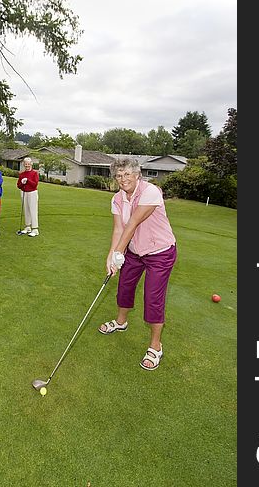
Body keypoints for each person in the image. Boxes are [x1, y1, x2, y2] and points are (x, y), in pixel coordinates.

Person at [98, 157, 177, 371]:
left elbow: (132, 223)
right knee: (124, 287)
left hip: (160, 252)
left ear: (137, 174)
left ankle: (155, 346)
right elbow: (118, 229)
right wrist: (110, 256)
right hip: (134, 251)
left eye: (127, 174)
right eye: (118, 175)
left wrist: (117, 254)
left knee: (152, 298)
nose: (123, 179)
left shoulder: (151, 192)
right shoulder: (117, 199)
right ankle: (121, 322)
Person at [16, 156, 39, 237]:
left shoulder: (34, 173)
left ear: (31, 164)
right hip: (24, 192)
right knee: (26, 210)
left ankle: (35, 229)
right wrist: (22, 183)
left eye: (28, 164)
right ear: (24, 164)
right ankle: (28, 226)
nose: (27, 165)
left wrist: (28, 180)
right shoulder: (22, 174)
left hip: (32, 193)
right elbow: (18, 186)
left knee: (33, 210)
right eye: (26, 164)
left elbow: (35, 184)